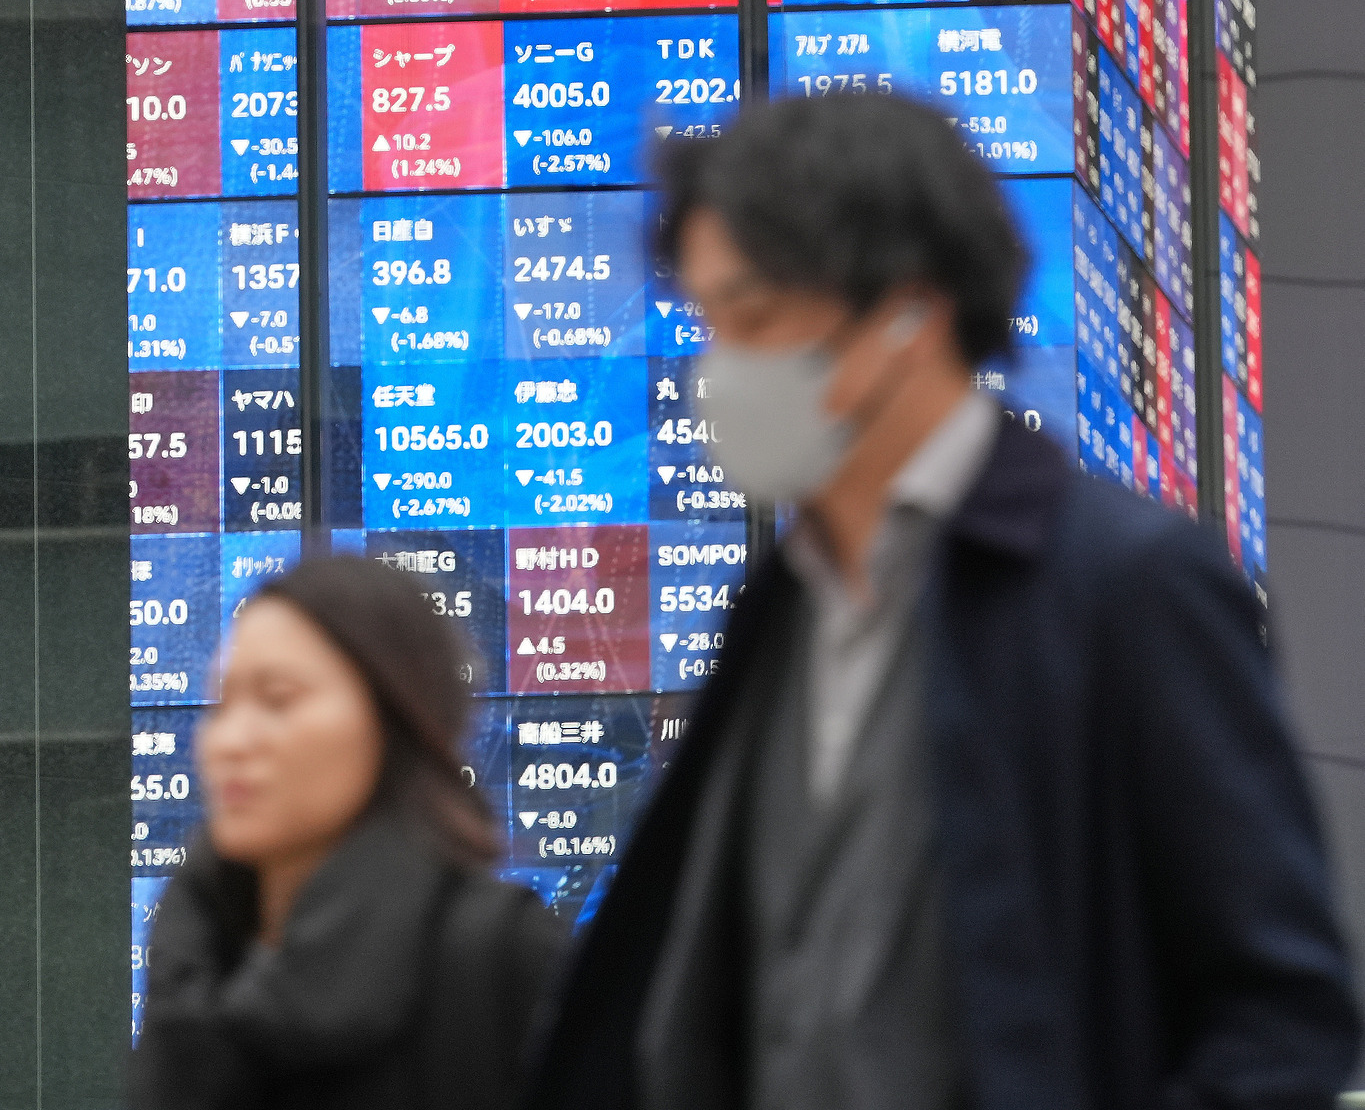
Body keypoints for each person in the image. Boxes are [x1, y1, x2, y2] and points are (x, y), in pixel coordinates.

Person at [530, 92, 1360, 1110]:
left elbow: (1280, 1013)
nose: (714, 369)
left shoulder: (1126, 586)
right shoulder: (778, 615)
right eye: (705, 321)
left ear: (909, 314)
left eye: (750, 317)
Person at [131, 553, 562, 1110]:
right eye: (221, 705)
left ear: (393, 719)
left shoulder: (499, 957)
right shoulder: (195, 959)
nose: (230, 740)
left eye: (278, 699)